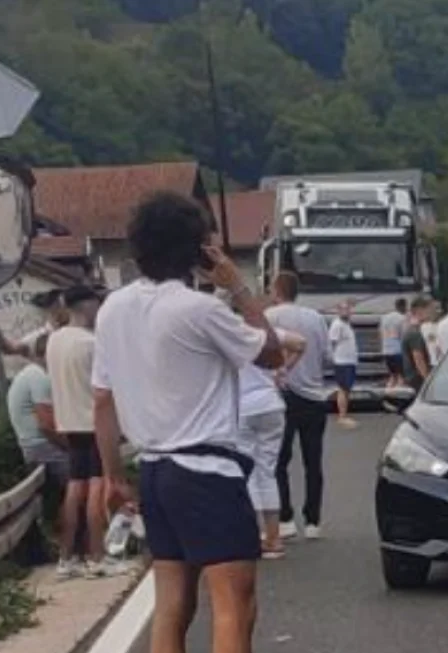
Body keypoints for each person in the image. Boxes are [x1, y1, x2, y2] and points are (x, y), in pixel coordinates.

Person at [92, 192, 284, 653]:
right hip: (206, 470)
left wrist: (113, 475)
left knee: (172, 605)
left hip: (154, 469)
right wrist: (238, 287)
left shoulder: (112, 308)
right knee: (234, 604)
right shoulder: (200, 309)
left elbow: (102, 399)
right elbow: (272, 352)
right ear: (198, 249)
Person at [48, 284, 117, 580]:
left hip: (68, 423)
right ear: (87, 305)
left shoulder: (54, 340)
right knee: (97, 487)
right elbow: (106, 390)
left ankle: (66, 558)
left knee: (74, 488)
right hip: (93, 423)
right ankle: (97, 556)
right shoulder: (92, 343)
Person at [266, 272, 332, 541]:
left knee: (280, 460)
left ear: (277, 290)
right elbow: (328, 357)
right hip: (315, 395)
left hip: (283, 393)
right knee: (313, 461)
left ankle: (286, 518)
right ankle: (313, 521)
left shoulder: (270, 317)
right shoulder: (316, 318)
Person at [236, 318, 306, 560]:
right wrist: (283, 369)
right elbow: (300, 343)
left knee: (247, 471)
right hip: (271, 403)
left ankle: (253, 535)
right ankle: (274, 538)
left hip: (242, 407)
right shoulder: (264, 333)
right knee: (267, 470)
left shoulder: (230, 333)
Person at [6, 334, 69, 526]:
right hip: (43, 447)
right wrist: (71, 447)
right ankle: (73, 532)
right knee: (85, 479)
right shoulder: (40, 377)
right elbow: (46, 425)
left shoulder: (30, 373)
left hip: (32, 446)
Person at [328, 301, 358, 429]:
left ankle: (345, 414)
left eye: (349, 309)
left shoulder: (347, 325)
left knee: (347, 389)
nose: (347, 311)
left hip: (350, 361)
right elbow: (332, 343)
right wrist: (331, 359)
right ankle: (342, 416)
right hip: (342, 362)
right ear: (338, 311)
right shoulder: (337, 325)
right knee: (343, 388)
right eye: (344, 309)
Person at [401, 297, 434, 391]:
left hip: (414, 377)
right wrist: (428, 380)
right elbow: (418, 359)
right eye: (430, 309)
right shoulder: (415, 332)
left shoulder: (412, 329)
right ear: (420, 310)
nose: (432, 312)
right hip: (417, 378)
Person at [380, 298, 408, 389]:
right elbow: (403, 335)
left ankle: (389, 390)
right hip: (398, 351)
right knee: (400, 376)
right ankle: (399, 392)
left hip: (386, 350)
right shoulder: (402, 318)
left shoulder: (384, 317)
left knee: (392, 376)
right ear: (403, 306)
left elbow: (381, 333)